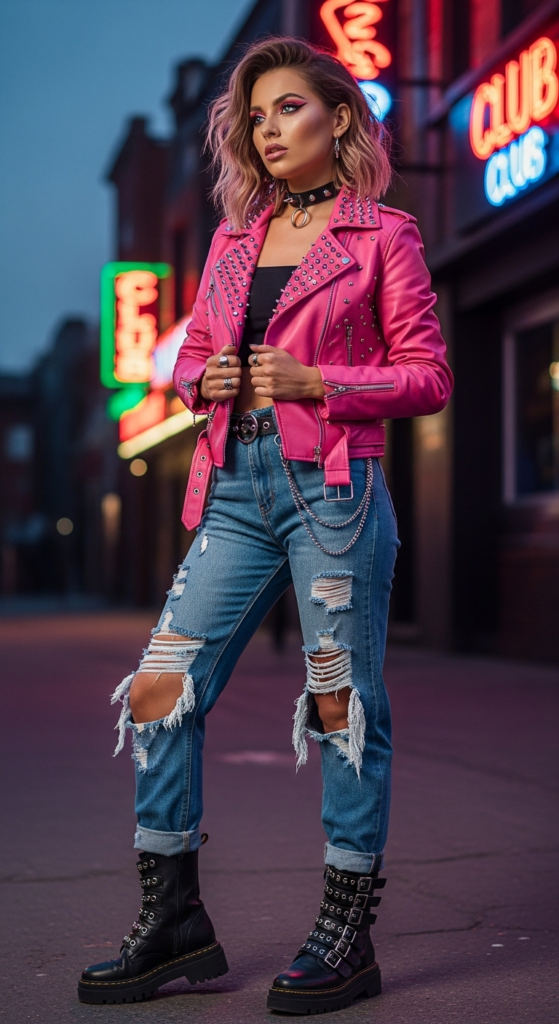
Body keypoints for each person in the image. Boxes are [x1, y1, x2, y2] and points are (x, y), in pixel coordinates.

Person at [78, 36, 453, 1014]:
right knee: (162, 689)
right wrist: (201, 374)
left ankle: (345, 932)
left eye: (288, 108)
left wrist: (318, 379)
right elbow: (189, 357)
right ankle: (175, 925)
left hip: (333, 492)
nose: (269, 128)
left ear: (337, 118)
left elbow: (429, 374)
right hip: (233, 492)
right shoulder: (236, 240)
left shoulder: (385, 238)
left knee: (340, 710)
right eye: (255, 115)